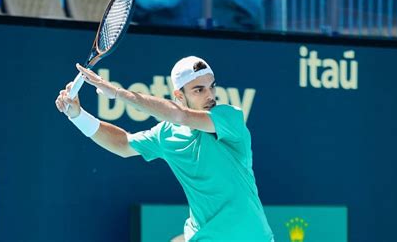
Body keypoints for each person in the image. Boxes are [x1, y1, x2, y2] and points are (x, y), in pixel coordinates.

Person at [55, 56, 274, 241]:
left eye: (211, 86)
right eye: (199, 90)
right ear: (179, 96)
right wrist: (77, 115)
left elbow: (180, 115)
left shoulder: (229, 118)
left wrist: (117, 93)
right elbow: (123, 144)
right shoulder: (166, 134)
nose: (209, 96)